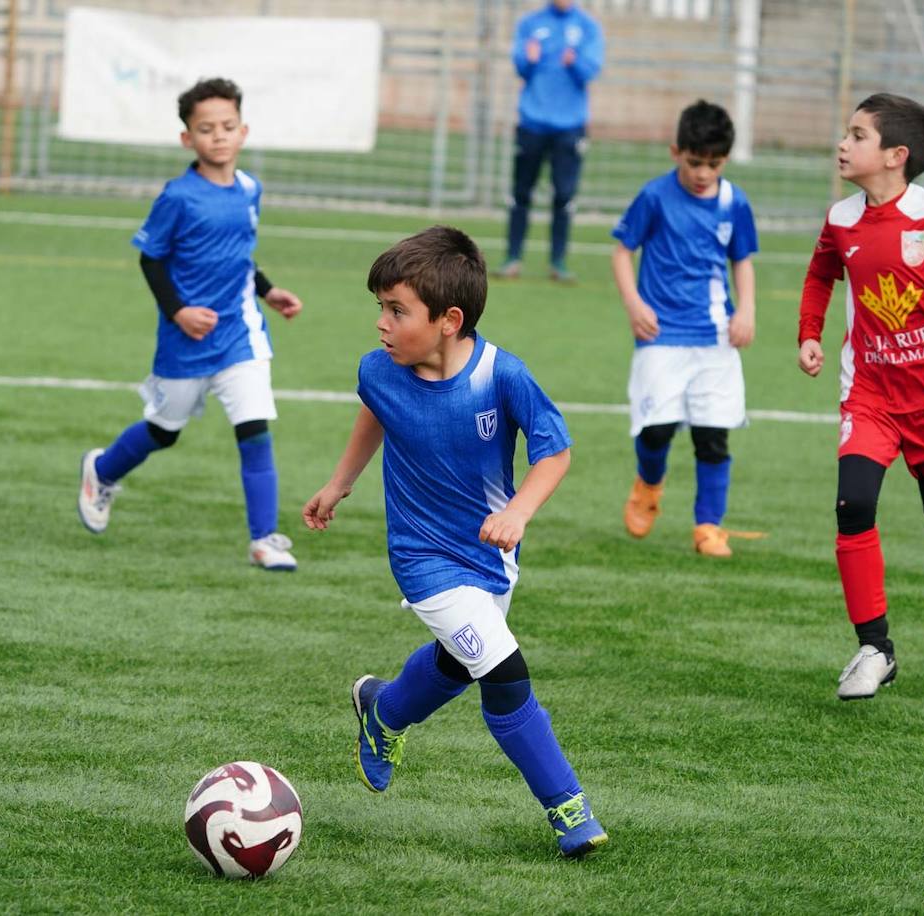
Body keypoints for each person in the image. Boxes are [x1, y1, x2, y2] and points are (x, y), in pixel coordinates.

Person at [302, 226, 608, 858]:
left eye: (396, 310)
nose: (381, 325)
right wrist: (339, 483)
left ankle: (383, 711)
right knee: (502, 671)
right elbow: (374, 409)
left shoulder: (502, 375)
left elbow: (556, 451)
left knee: (455, 664)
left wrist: (520, 511)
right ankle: (569, 809)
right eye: (380, 308)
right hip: (421, 558)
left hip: (490, 555)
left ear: (449, 320)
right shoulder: (378, 369)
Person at [797, 93, 924, 700]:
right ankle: (875, 648)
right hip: (868, 394)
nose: (843, 143)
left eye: (857, 135)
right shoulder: (840, 220)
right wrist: (810, 334)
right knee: (853, 505)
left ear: (896, 155)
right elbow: (819, 275)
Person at [77, 77, 304, 571]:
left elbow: (241, 255)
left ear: (243, 131)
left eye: (227, 126)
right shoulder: (178, 197)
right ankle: (101, 470)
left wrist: (268, 291)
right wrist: (179, 310)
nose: (218, 136)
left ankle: (263, 539)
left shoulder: (250, 188)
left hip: (241, 333)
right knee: (164, 430)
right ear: (188, 139)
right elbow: (151, 262)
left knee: (254, 427)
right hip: (185, 341)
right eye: (206, 129)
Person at [609, 100, 758, 557]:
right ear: (676, 151)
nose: (703, 173)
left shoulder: (735, 202)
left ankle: (708, 527)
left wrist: (746, 309)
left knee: (712, 435)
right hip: (661, 335)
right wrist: (634, 303)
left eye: (713, 164)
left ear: (725, 161)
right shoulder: (654, 197)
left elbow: (742, 261)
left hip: (714, 337)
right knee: (657, 430)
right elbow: (621, 251)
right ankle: (649, 484)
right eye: (695, 163)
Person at [494, 0, 605, 284]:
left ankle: (558, 261)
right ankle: (513, 257)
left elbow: (591, 69)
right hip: (532, 122)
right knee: (521, 193)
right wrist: (529, 59)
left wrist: (575, 62)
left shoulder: (587, 26)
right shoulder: (530, 23)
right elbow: (520, 66)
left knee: (564, 196)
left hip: (569, 126)